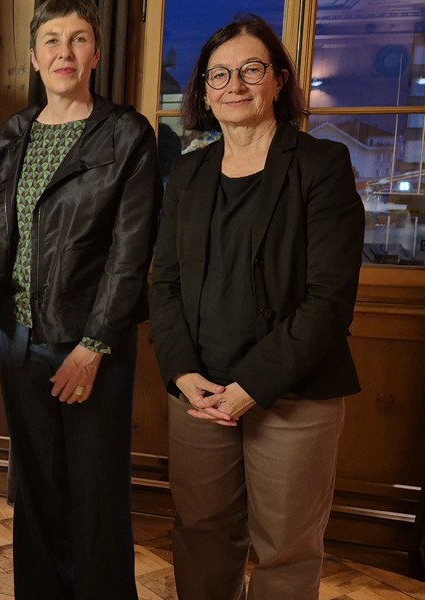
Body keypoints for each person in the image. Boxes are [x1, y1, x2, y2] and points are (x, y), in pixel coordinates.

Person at [147, 15, 364, 600]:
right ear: (204, 92)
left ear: (278, 82)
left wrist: (251, 385)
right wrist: (182, 372)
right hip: (199, 390)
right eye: (218, 74)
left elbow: (330, 301)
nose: (234, 85)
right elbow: (162, 284)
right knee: (201, 535)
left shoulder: (321, 166)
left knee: (286, 548)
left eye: (250, 70)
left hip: (293, 394)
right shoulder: (188, 172)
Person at [0, 0, 162, 597]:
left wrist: (94, 343)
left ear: (95, 55)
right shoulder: (16, 132)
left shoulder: (127, 133)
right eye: (51, 40)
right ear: (33, 57)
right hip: (17, 335)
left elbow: (130, 254)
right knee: (34, 490)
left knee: (95, 496)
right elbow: (14, 235)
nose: (64, 51)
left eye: (78, 39)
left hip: (88, 342)